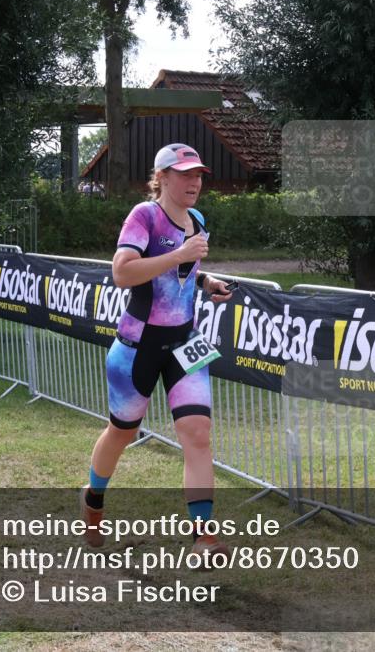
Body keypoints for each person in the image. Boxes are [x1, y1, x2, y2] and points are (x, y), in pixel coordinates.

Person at [81, 143, 235, 561]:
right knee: (123, 433)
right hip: (137, 346)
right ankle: (93, 500)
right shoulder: (144, 216)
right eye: (185, 174)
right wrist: (180, 254)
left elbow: (186, 274)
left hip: (185, 342)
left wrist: (207, 284)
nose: (195, 182)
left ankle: (203, 537)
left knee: (198, 434)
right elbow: (122, 272)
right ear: (162, 177)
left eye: (199, 174)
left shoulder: (198, 220)